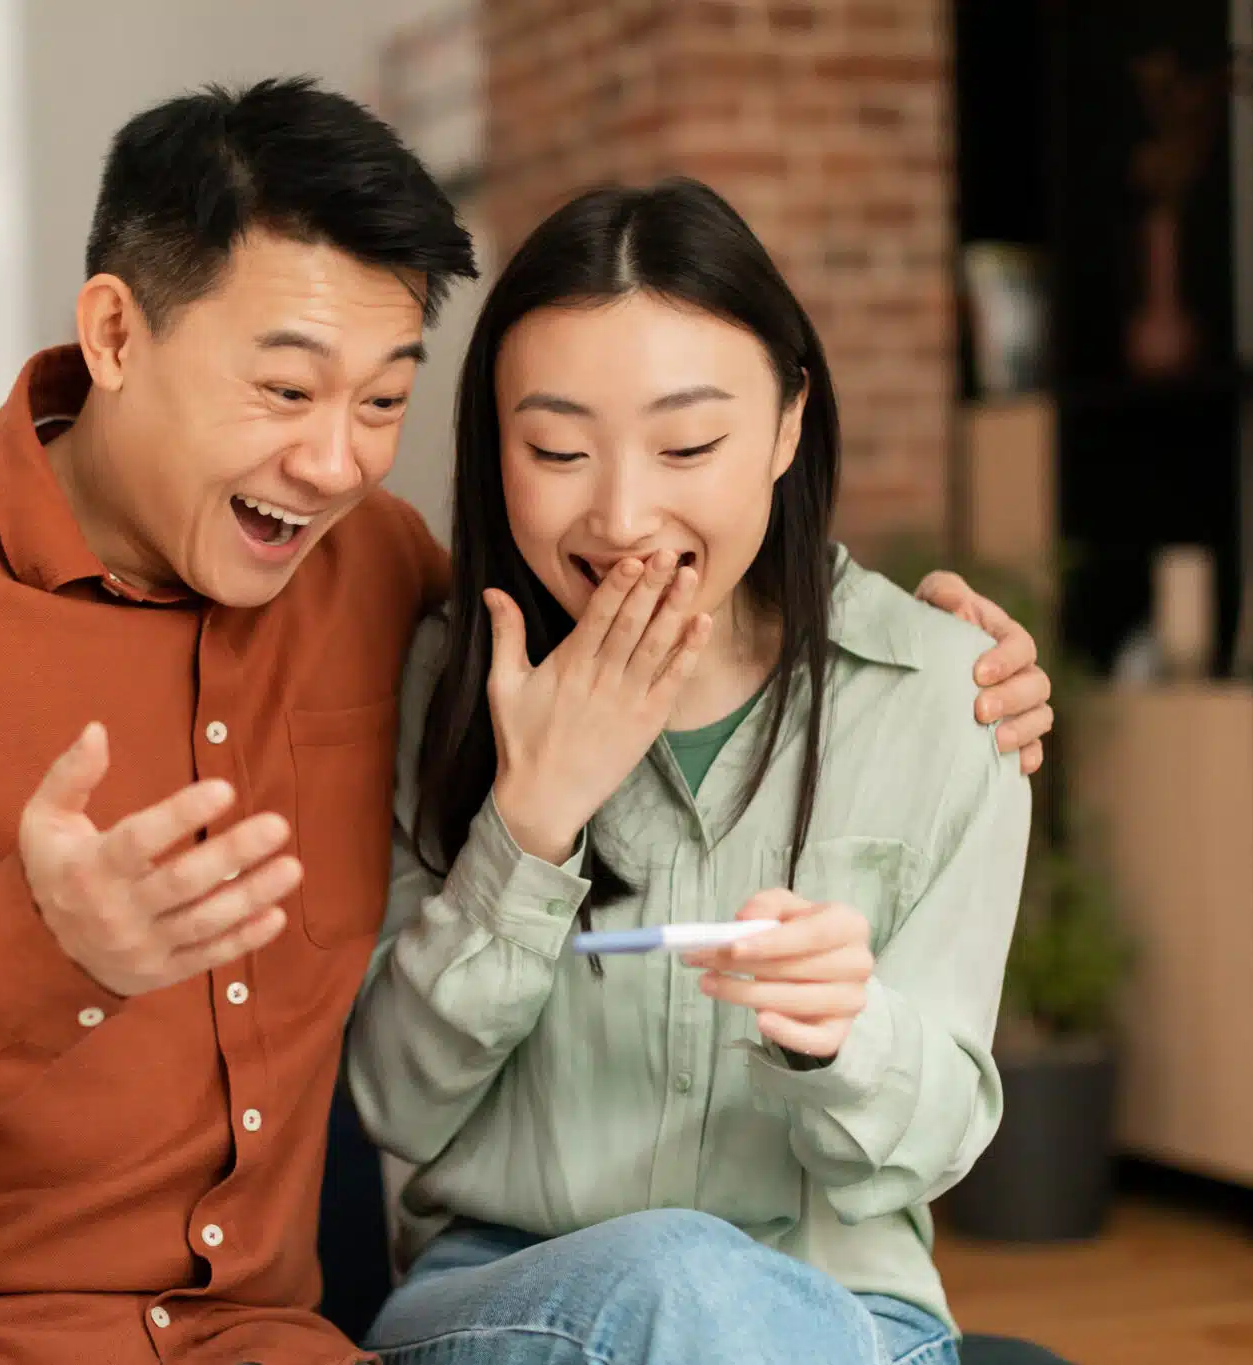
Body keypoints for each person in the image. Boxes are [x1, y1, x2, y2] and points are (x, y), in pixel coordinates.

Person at [0, 80, 1053, 1365]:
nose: (333, 461)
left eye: (384, 401)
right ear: (116, 332)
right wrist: (30, 955)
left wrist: (939, 647)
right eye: (287, 388)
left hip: (259, 1340)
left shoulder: (385, 589)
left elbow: (645, 577)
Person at [347, 178, 1033, 1365]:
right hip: (510, 1302)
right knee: (683, 1283)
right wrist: (529, 824)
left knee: (716, 1301)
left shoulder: (944, 695)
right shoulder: (435, 680)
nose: (618, 515)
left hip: (846, 1319)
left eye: (687, 445)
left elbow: (935, 1144)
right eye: (555, 448)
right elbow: (392, 1102)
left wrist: (843, 1036)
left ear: (784, 425)